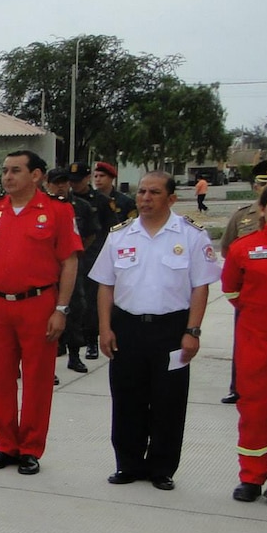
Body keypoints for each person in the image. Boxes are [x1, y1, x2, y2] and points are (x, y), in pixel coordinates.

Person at [89, 171, 219, 490]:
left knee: (169, 401)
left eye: (155, 192)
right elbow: (106, 285)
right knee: (127, 398)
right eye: (142, 192)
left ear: (171, 198)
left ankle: (162, 467)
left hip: (172, 329)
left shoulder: (190, 235)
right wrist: (104, 329)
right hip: (127, 327)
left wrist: (193, 331)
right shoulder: (120, 235)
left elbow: (200, 287)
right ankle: (128, 464)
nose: (146, 198)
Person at [0, 150, 80, 475]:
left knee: (37, 379)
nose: (7, 177)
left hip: (39, 305)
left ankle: (30, 447)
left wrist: (61, 309)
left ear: (37, 175)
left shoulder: (57, 211)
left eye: (16, 170)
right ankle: (5, 445)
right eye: (5, 171)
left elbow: (69, 262)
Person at [221, 182, 267, 503]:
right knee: (255, 410)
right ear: (263, 210)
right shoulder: (244, 248)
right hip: (255, 342)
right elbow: (231, 289)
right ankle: (252, 477)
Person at [54, 167, 100, 375]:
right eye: (57, 182)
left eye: (64, 182)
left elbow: (91, 233)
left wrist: (76, 253)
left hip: (72, 268)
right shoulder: (41, 207)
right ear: (48, 183)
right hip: (48, 269)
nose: (61, 186)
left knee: (75, 310)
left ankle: (74, 356)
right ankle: (51, 359)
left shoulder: (81, 206)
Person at [218, 194, 263, 403]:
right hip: (249, 295)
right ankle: (238, 387)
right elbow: (228, 249)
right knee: (244, 343)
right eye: (263, 183)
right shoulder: (242, 215)